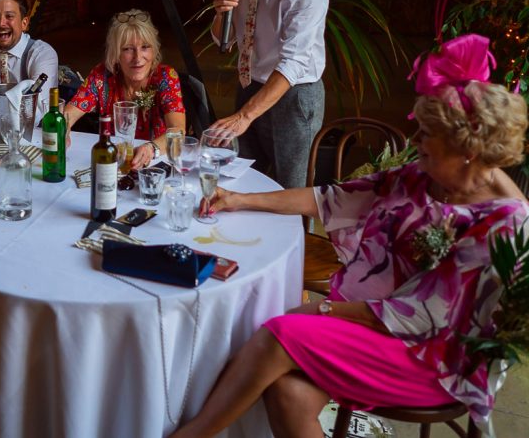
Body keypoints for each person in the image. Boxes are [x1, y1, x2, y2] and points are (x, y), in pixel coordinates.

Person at [171, 34, 528, 438]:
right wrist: (239, 199)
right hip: (380, 324)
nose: (414, 143)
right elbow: (331, 198)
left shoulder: (503, 223)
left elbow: (423, 316)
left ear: (467, 148)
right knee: (288, 393)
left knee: (279, 333)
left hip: (435, 360)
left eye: (427, 135)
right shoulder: (424, 176)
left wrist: (322, 311)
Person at [210, 0, 328, 189]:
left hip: (295, 95)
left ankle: (299, 238)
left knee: (292, 189)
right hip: (249, 86)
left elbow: (292, 64)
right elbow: (224, 42)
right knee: (244, 181)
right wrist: (221, 13)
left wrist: (243, 117)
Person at [65, 9, 187, 170]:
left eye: (145, 47)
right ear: (115, 54)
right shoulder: (102, 77)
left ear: (154, 50)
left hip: (156, 166)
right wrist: (62, 129)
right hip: (114, 163)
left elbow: (178, 131)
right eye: (128, 49)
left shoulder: (165, 77)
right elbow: (67, 115)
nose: (137, 58)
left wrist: (151, 149)